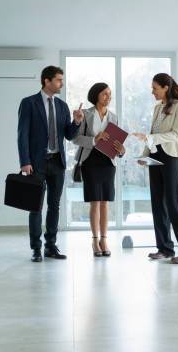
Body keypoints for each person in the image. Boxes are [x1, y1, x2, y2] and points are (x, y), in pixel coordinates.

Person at [17, 65, 84, 262]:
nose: (61, 83)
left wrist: (77, 122)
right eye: (58, 80)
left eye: (62, 80)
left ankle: (50, 246)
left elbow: (69, 136)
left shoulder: (62, 106)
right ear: (46, 81)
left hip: (57, 163)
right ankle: (36, 249)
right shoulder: (29, 103)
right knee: (35, 206)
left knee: (54, 206)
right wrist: (25, 161)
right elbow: (22, 135)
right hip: (36, 163)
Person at [132, 73, 178, 264]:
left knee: (173, 202)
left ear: (165, 87)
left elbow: (175, 135)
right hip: (154, 154)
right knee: (157, 202)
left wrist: (149, 139)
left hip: (170, 155)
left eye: (155, 88)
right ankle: (165, 248)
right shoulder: (157, 107)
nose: (152, 91)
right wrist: (145, 155)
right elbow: (152, 133)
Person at [71, 83, 125, 257]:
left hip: (108, 163)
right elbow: (76, 139)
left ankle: (104, 239)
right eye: (105, 94)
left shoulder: (114, 117)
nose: (108, 97)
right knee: (95, 201)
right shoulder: (86, 114)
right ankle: (94, 241)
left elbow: (116, 142)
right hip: (90, 161)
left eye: (110, 94)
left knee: (105, 202)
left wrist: (121, 150)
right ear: (96, 95)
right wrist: (95, 139)